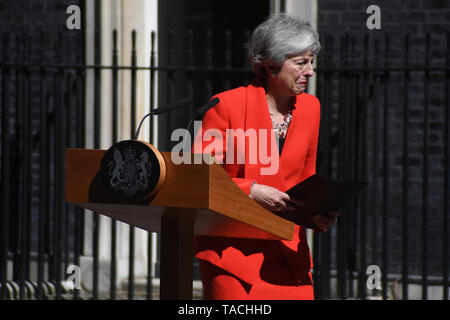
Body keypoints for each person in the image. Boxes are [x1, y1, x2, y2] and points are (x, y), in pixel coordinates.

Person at [193, 13, 340, 300]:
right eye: (301, 63)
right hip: (233, 256)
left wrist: (319, 212)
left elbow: (305, 177)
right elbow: (199, 177)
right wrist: (251, 191)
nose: (310, 71)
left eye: (311, 61)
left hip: (289, 254)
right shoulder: (226, 106)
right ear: (271, 66)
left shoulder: (311, 108)